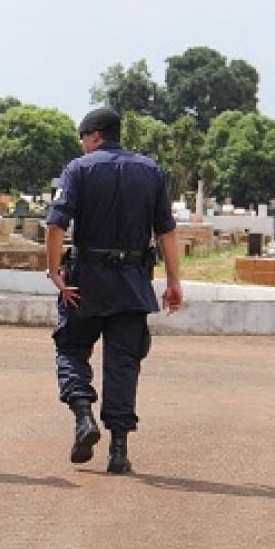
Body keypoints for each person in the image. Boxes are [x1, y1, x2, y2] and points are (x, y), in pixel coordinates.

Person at [45, 108, 183, 474]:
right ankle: (118, 450)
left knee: (72, 348)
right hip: (132, 282)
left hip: (85, 282)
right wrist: (173, 282)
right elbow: (166, 232)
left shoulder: (79, 168)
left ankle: (83, 416)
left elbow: (55, 225)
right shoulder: (150, 170)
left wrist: (54, 270)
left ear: (93, 136)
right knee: (123, 362)